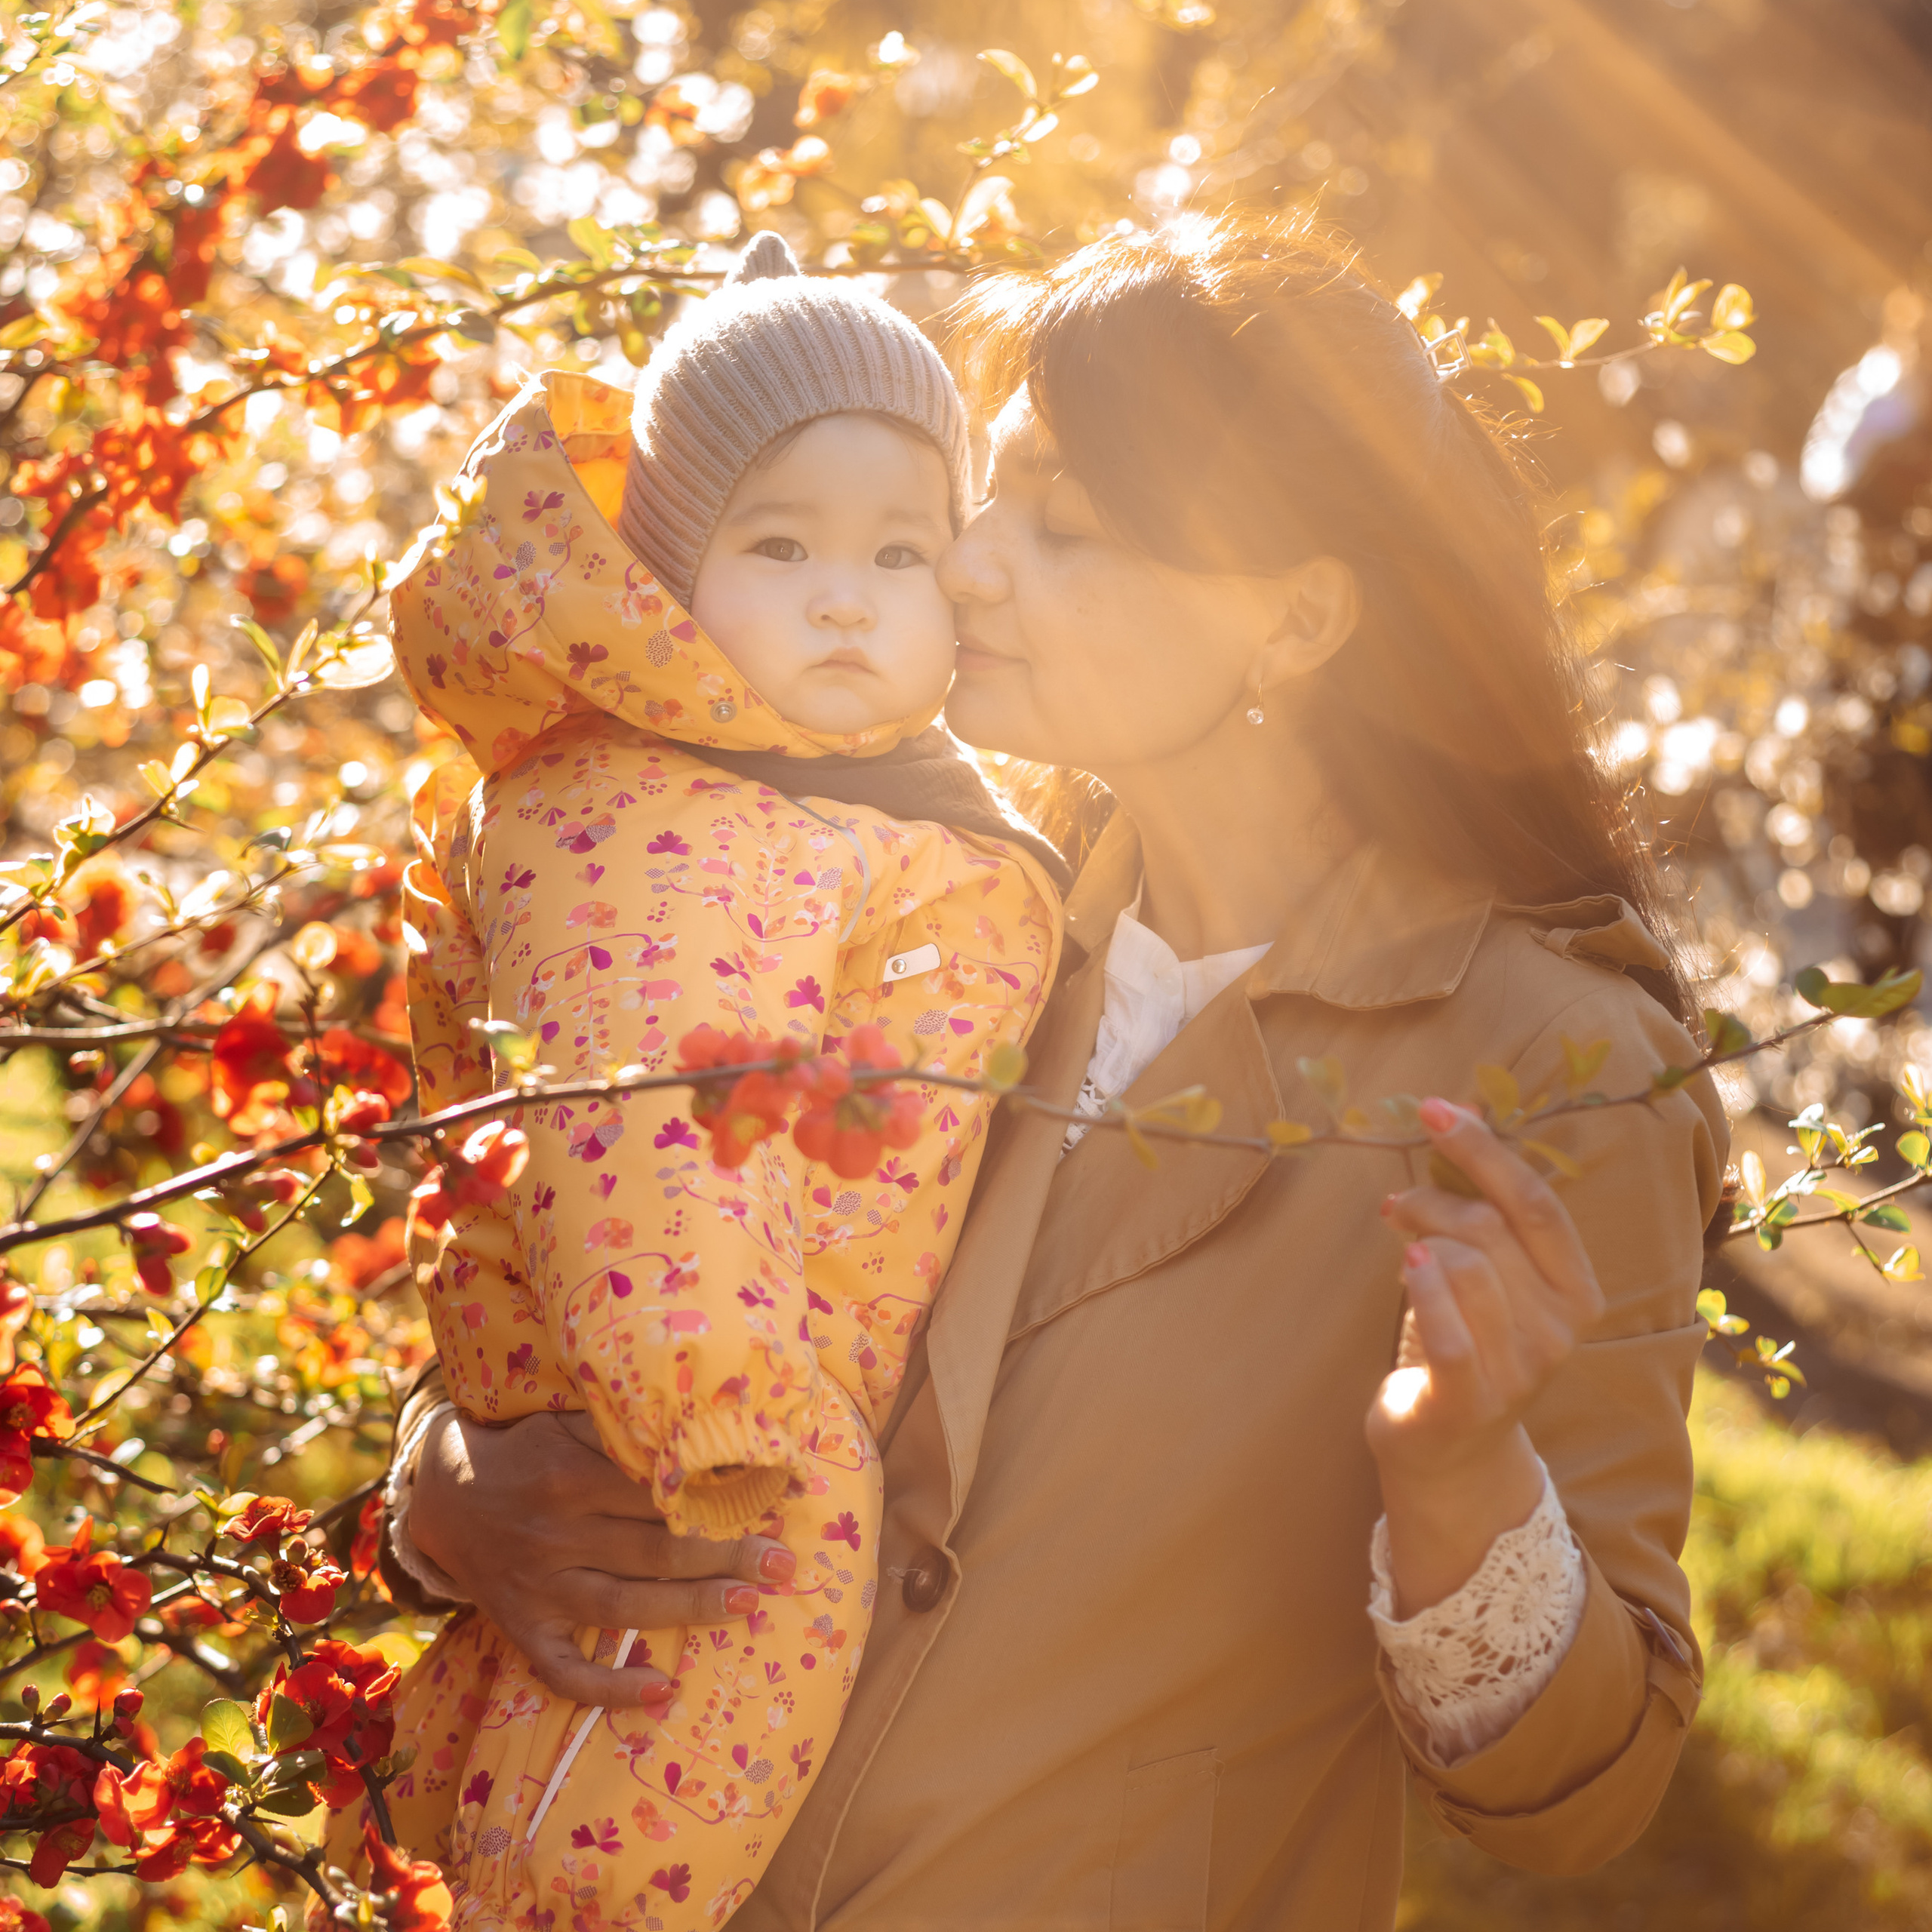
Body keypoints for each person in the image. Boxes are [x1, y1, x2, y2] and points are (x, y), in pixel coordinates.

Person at [377, 213, 1727, 1930]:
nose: (973, 566)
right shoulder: (950, 906)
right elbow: (622, 1255)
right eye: (988, 496)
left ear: (1296, 621)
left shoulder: (1555, 1064)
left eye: (1067, 530)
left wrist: (1461, 1481)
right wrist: (454, 1487)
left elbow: (1577, 1801)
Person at [338, 232, 1066, 1927]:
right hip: (704, 1476)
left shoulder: (871, 800)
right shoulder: (664, 815)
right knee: (592, 1832)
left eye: (900, 551)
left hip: (752, 1461)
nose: (842, 596)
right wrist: (723, 1415)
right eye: (779, 543)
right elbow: (645, 1121)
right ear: (670, 573)